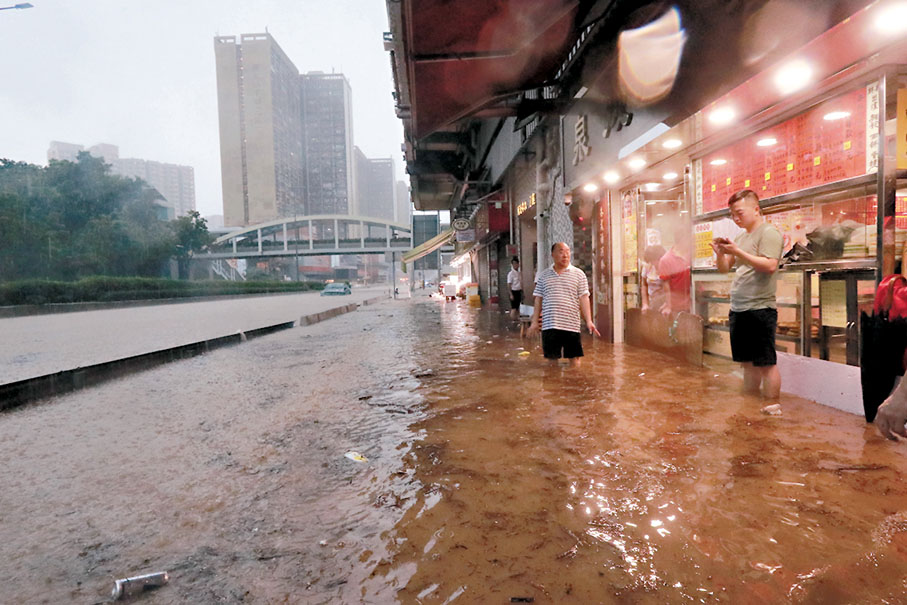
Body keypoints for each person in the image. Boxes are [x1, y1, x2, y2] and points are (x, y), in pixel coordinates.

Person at [711, 189, 784, 399]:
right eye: (733, 214)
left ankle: (772, 407)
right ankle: (750, 407)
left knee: (766, 363)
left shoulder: (769, 233)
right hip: (739, 308)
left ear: (756, 209)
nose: (736, 218)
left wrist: (738, 252)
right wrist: (720, 254)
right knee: (747, 364)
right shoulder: (741, 237)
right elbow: (724, 268)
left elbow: (770, 265)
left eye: (739, 213)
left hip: (760, 308)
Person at [527, 242, 600, 365]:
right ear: (553, 254)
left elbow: (584, 298)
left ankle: (574, 378)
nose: (565, 255)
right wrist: (534, 322)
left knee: (574, 360)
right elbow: (538, 299)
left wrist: (589, 321)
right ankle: (554, 378)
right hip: (549, 325)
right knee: (551, 361)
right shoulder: (544, 276)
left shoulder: (579, 274)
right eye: (561, 251)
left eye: (567, 251)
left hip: (571, 324)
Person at [659, 225, 692, 316]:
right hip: (677, 308)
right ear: (682, 240)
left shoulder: (692, 255)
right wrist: (668, 306)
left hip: (695, 304)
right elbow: (666, 286)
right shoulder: (666, 260)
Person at [640, 245, 667, 313]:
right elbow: (644, 285)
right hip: (652, 301)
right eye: (651, 260)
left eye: (655, 260)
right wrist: (645, 303)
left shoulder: (666, 266)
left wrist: (668, 304)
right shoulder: (647, 267)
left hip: (664, 301)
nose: (653, 263)